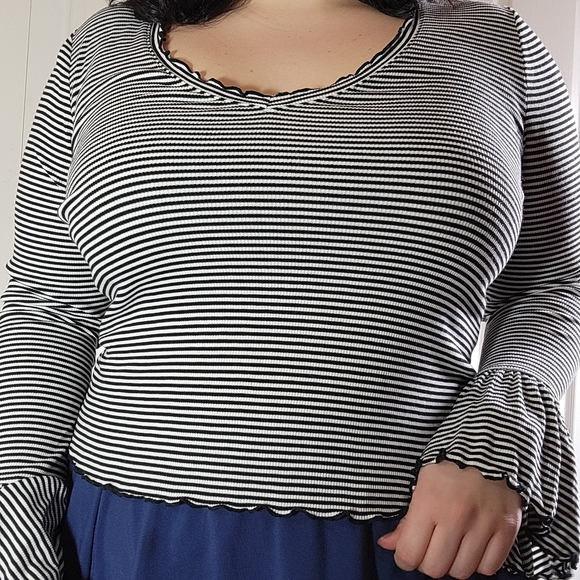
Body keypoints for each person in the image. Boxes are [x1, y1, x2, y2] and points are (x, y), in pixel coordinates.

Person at [1, 0, 579, 578]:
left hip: (423, 534)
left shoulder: (497, 44)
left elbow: (554, 284)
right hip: (138, 532)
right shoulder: (102, 45)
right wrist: (19, 530)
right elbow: (47, 306)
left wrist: (500, 422)